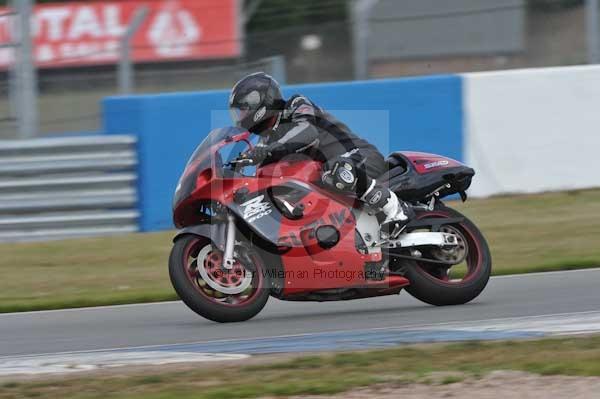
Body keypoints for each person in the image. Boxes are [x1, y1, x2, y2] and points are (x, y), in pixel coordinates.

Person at [228, 72, 413, 234]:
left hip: (359, 157)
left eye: (243, 110)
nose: (240, 117)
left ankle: (397, 210)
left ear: (260, 102)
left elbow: (307, 130)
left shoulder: (295, 105)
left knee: (335, 171)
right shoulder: (266, 141)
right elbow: (264, 180)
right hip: (329, 178)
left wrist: (266, 150)